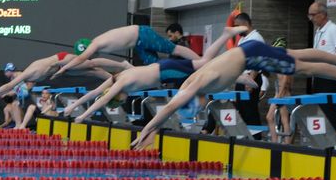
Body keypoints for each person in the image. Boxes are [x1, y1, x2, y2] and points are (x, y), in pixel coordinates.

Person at [131, 41, 336, 150]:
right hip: (248, 52)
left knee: (303, 67)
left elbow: (170, 108)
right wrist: (242, 78)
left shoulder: (195, 87)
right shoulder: (197, 82)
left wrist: (145, 130)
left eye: (197, 107)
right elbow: (222, 70)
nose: (203, 108)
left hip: (251, 56)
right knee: (295, 55)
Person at [73, 26, 255, 123]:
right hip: (163, 69)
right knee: (204, 66)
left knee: (204, 66)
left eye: (119, 101)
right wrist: (74, 107)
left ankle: (226, 39)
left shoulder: (120, 84)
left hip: (165, 71)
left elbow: (102, 99)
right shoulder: (116, 78)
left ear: (117, 96)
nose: (122, 101)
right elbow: (95, 94)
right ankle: (236, 67)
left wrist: (82, 115)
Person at [51, 25, 200, 79]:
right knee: (155, 68)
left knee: (175, 49)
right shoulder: (96, 42)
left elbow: (82, 59)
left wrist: (63, 68)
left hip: (143, 34)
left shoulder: (95, 45)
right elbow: (95, 62)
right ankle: (186, 71)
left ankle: (202, 64)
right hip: (138, 43)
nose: (90, 56)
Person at [0, 53, 121, 106]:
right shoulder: (30, 79)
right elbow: (14, 88)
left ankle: (122, 65)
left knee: (92, 64)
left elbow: (7, 86)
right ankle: (116, 79)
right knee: (93, 73)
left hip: (62, 60)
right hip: (60, 70)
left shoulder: (32, 72)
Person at [309, 1, 336, 133]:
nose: (311, 18)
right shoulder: (318, 32)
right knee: (320, 108)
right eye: (309, 15)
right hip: (319, 76)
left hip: (331, 76)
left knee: (329, 108)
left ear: (322, 14)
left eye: (313, 15)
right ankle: (324, 137)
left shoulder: (333, 29)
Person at [233, 12, 265, 138]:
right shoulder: (242, 39)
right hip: (243, 79)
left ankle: (256, 140)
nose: (236, 29)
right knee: (242, 110)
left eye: (237, 26)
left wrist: (251, 80)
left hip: (251, 77)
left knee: (250, 111)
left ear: (245, 24)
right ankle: (245, 138)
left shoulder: (256, 38)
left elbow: (259, 60)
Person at [264, 37, 294, 144]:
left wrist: (280, 97)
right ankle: (275, 141)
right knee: (270, 117)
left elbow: (285, 80)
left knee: (284, 120)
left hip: (283, 94)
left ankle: (286, 144)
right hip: (280, 92)